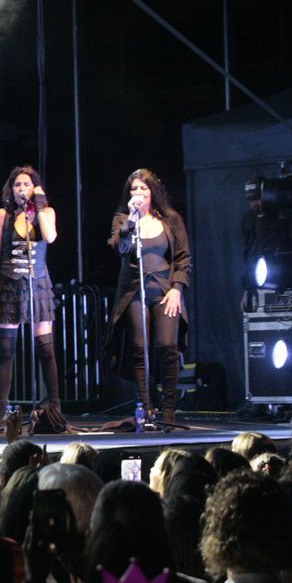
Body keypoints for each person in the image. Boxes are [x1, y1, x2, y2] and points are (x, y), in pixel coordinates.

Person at [107, 168, 192, 424]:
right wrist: (132, 220)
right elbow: (120, 248)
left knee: (167, 346)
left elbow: (183, 257)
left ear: (153, 191)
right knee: (139, 348)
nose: (139, 193)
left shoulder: (170, 218)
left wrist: (177, 288)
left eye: (143, 188)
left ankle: (168, 409)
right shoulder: (123, 220)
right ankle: (146, 408)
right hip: (134, 289)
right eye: (134, 189)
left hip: (164, 288)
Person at [0, 166, 61, 426]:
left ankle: (55, 408)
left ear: (35, 187)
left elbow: (50, 237)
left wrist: (39, 205)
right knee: (6, 350)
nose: (21, 189)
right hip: (8, 284)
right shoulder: (2, 215)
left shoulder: (46, 213)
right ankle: (1, 412)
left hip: (37, 284)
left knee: (46, 350)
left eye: (26, 184)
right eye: (17, 184)